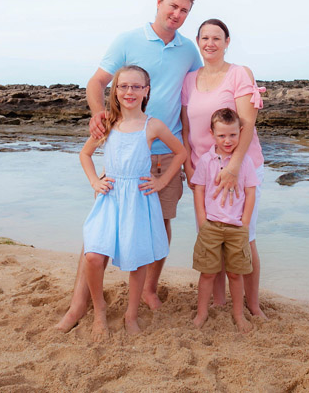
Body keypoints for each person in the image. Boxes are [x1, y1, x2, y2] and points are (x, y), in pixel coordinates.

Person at [56, 0, 201, 332]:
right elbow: (97, 83)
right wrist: (99, 116)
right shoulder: (127, 40)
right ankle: (80, 304)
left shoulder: (189, 50)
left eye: (184, 10)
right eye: (173, 6)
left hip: (166, 153)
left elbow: (197, 92)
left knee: (159, 226)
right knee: (99, 236)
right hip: (123, 156)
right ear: (159, 3)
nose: (177, 15)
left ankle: (149, 289)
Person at [80, 65, 187, 338]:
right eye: (123, 86)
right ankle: (99, 308)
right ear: (115, 90)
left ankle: (131, 314)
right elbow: (85, 154)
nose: (130, 92)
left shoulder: (153, 125)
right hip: (111, 196)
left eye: (136, 87)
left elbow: (180, 152)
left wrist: (161, 182)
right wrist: (94, 181)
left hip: (139, 199)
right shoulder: (107, 123)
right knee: (93, 256)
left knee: (137, 259)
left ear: (146, 91)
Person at [181, 18, 267, 318]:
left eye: (217, 38)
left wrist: (233, 167)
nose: (210, 43)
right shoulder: (189, 79)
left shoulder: (239, 73)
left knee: (245, 237)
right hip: (204, 171)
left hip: (241, 168)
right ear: (198, 41)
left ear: (227, 41)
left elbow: (247, 123)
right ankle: (218, 304)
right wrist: (188, 166)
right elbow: (185, 125)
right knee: (212, 238)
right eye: (204, 38)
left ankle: (253, 305)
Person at [191, 108, 259, 333]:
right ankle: (202, 314)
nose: (227, 140)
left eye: (232, 135)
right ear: (212, 134)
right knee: (208, 272)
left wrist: (245, 223)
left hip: (236, 227)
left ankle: (239, 315)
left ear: (240, 132)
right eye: (221, 135)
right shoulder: (205, 161)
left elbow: (251, 193)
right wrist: (202, 221)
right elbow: (198, 190)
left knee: (235, 274)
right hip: (211, 225)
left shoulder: (245, 162)